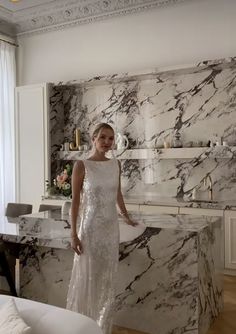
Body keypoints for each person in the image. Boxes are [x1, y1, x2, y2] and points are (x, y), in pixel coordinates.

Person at [66, 123, 137, 334]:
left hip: (110, 229)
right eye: (103, 138)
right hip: (89, 229)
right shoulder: (82, 165)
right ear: (93, 138)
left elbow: (118, 194)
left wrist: (126, 216)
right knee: (88, 276)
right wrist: (73, 234)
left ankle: (101, 326)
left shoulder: (116, 164)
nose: (107, 142)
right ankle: (81, 326)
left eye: (110, 139)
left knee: (107, 278)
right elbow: (75, 202)